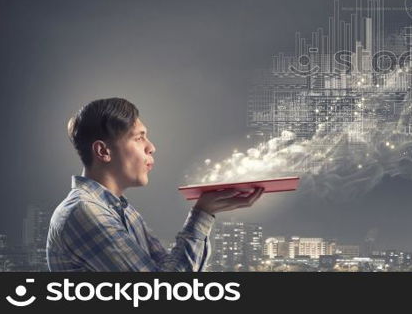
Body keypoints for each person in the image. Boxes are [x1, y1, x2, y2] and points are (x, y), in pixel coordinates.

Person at [46, 97, 263, 271]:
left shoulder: (123, 211)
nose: (151, 147)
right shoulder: (84, 212)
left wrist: (206, 211)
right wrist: (203, 213)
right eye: (139, 138)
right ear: (103, 151)